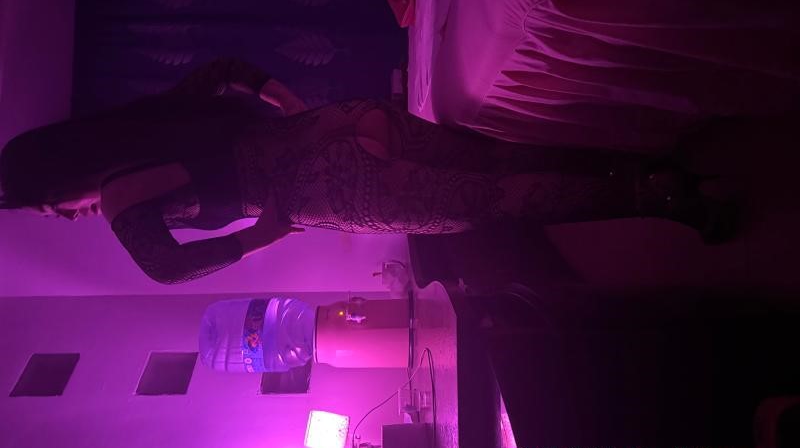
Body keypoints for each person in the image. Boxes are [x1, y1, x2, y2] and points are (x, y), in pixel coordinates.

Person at [0, 58, 735, 284]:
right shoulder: (150, 117)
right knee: (497, 155)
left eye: (51, 206)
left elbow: (165, 268)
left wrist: (260, 238)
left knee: (494, 198)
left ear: (59, 180)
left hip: (330, 188)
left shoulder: (122, 189)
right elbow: (225, 68)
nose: (67, 215)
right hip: (339, 123)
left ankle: (666, 199)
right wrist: (291, 105)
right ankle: (649, 164)